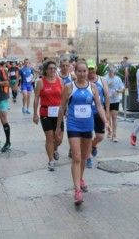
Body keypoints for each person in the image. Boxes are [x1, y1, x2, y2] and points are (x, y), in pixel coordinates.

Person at [56, 60, 109, 205]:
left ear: (88, 72)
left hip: (87, 126)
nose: (82, 73)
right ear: (75, 72)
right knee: (77, 157)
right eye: (79, 71)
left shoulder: (93, 87)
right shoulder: (69, 87)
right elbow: (62, 107)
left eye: (84, 71)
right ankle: (77, 191)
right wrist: (58, 126)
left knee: (85, 157)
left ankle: (80, 178)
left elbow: (99, 106)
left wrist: (106, 121)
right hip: (73, 126)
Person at [33, 60, 63, 171]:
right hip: (46, 113)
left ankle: (55, 149)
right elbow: (36, 98)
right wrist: (35, 114)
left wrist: (67, 109)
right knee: (49, 138)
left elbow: (64, 97)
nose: (52, 70)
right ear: (46, 70)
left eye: (54, 68)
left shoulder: (60, 81)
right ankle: (51, 161)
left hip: (58, 113)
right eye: (50, 68)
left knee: (59, 139)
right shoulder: (41, 82)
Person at [86, 59, 110, 168]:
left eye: (92, 69)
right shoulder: (83, 80)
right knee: (88, 135)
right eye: (89, 69)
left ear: (95, 69)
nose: (91, 71)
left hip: (99, 112)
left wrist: (107, 113)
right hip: (87, 113)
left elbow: (107, 97)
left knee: (100, 136)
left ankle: (93, 145)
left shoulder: (102, 80)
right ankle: (88, 158)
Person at [104, 65, 124, 142]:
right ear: (108, 70)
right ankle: (109, 131)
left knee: (114, 117)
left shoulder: (118, 79)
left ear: (115, 71)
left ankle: (114, 135)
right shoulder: (105, 78)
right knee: (108, 118)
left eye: (113, 70)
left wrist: (119, 91)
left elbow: (122, 88)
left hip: (115, 100)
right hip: (107, 101)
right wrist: (108, 85)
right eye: (110, 70)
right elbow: (102, 88)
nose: (111, 72)